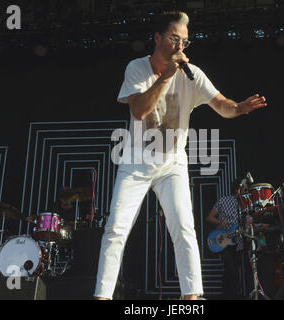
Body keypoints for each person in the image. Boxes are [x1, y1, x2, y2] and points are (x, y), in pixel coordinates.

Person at [93, 11, 267, 300]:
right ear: (158, 38)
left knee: (184, 228)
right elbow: (139, 111)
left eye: (185, 41)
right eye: (175, 39)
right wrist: (167, 77)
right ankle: (101, 296)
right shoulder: (137, 68)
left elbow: (222, 104)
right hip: (136, 160)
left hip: (172, 162)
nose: (180, 47)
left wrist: (238, 108)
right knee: (116, 229)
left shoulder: (193, 74)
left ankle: (192, 298)